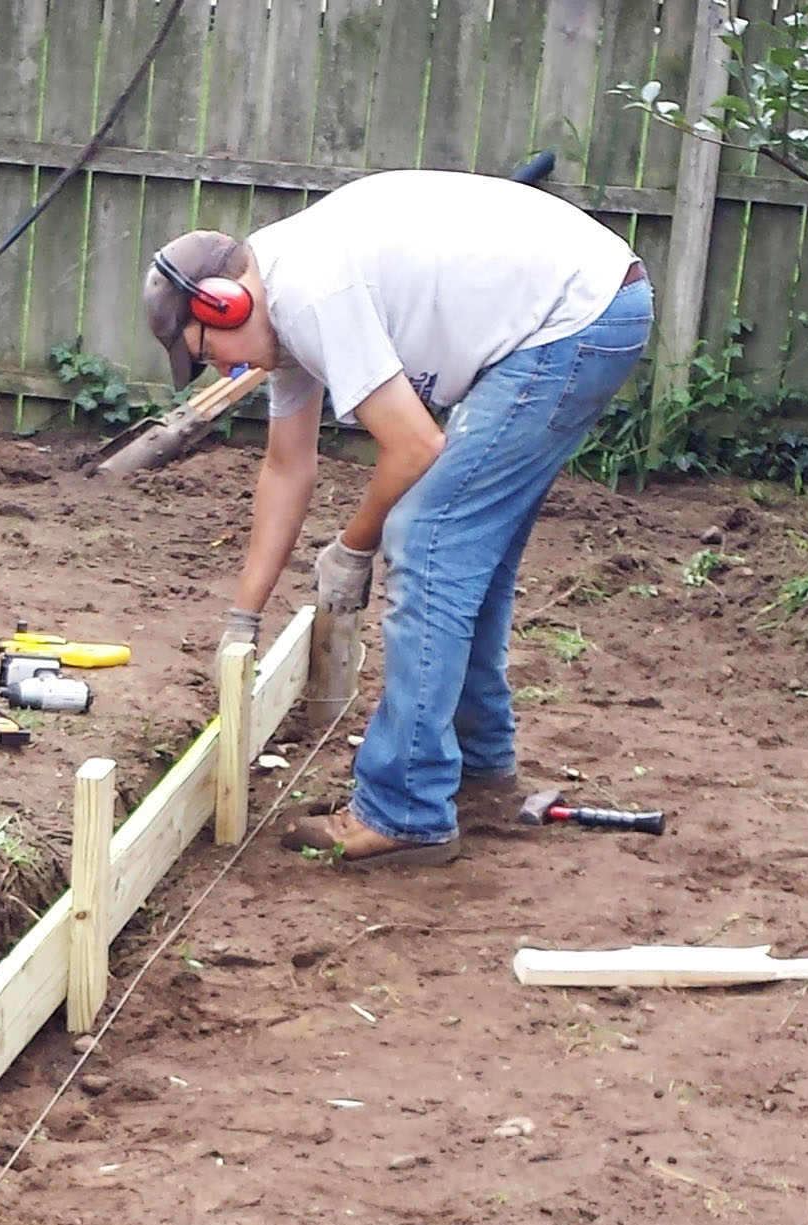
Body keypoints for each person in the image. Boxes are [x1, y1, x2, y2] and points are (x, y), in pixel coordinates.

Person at [146, 171, 651, 866]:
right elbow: (286, 467)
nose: (217, 374)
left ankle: (404, 808)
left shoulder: (310, 294)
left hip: (576, 318)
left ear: (228, 307)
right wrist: (243, 619)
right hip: (587, 305)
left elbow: (415, 446)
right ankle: (478, 767)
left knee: (429, 536)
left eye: (205, 354)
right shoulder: (285, 317)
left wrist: (353, 548)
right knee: (470, 550)